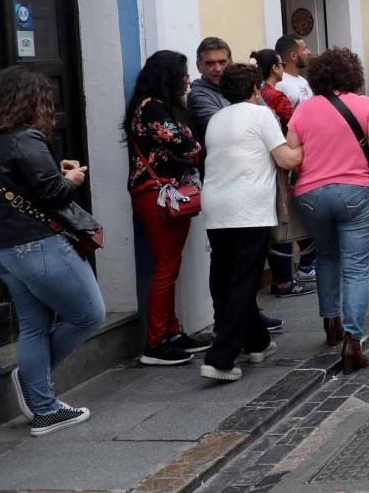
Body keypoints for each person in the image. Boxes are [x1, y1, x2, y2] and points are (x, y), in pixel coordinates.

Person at [0, 67, 106, 435]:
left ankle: (45, 408)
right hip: (37, 246)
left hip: (1, 252)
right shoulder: (25, 137)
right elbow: (54, 194)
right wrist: (71, 179)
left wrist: (53, 171)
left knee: (34, 326)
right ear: (30, 101)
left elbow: (23, 182)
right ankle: (35, 383)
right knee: (89, 314)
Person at [199, 64, 303, 381]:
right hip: (249, 209)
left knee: (225, 275)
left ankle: (256, 342)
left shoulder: (217, 119)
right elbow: (286, 158)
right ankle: (221, 359)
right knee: (244, 281)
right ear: (256, 90)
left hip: (216, 208)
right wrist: (305, 145)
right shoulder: (260, 115)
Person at [288, 47, 369, 369]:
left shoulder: (304, 109)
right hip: (355, 192)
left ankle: (330, 322)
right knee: (357, 268)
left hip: (311, 195)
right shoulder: (365, 105)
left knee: (326, 256)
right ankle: (352, 338)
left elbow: (293, 154)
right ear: (353, 74)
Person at [125, 51, 207, 367]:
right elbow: (187, 148)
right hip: (157, 193)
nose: (187, 79)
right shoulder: (152, 108)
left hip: (167, 192)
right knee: (165, 266)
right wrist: (194, 148)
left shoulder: (155, 106)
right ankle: (155, 342)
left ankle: (172, 333)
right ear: (169, 76)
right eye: (183, 73)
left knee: (170, 265)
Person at [252, 49, 316, 299]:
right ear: (274, 68)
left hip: (269, 164)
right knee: (286, 219)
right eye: (279, 64)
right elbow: (294, 124)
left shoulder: (262, 96)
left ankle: (287, 276)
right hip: (283, 161)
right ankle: (289, 278)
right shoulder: (275, 98)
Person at [187, 37, 232, 145]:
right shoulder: (198, 96)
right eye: (210, 63)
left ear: (231, 62)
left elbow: (272, 120)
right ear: (199, 66)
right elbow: (226, 131)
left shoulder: (244, 86)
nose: (217, 69)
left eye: (222, 62)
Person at [275, 33, 313, 107]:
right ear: (293, 56)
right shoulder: (281, 84)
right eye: (304, 49)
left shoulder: (303, 80)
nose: (309, 52)